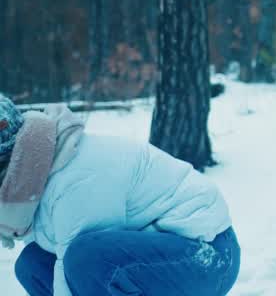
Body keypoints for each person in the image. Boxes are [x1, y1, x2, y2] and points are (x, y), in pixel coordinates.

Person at [0, 96, 240, 295]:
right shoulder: (35, 172)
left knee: (87, 257)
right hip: (153, 253)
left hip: (208, 257)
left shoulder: (75, 175)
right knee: (31, 263)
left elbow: (79, 263)